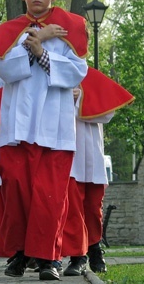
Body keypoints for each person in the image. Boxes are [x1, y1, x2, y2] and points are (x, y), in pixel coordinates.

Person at [0, 0, 88, 280]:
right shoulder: (10, 30)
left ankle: (49, 259)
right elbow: (4, 70)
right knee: (16, 193)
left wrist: (41, 50)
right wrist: (36, 40)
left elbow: (76, 72)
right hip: (17, 127)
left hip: (55, 127)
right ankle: (19, 254)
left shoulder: (71, 27)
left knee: (49, 196)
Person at [61, 68, 133, 276]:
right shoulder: (55, 73)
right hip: (68, 150)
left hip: (91, 153)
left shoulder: (92, 77)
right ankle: (77, 256)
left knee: (93, 208)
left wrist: (81, 97)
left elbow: (108, 114)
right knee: (73, 208)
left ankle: (94, 249)